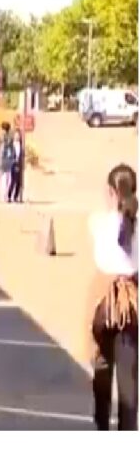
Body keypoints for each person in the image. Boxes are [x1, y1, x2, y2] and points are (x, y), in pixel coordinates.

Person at [85, 164, 138, 431]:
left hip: (103, 304)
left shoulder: (97, 221)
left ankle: (101, 425)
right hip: (130, 306)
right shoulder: (135, 226)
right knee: (129, 381)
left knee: (102, 364)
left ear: (111, 192)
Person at [0, 122, 15, 203]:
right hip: (8, 158)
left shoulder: (0, 136)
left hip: (1, 158)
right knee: (7, 179)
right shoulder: (11, 137)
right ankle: (5, 197)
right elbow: (12, 148)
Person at [7, 127, 25, 203]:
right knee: (13, 180)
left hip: (19, 164)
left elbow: (22, 155)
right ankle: (9, 196)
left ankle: (16, 197)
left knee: (19, 182)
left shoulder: (21, 145)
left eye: (18, 135)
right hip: (13, 164)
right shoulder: (11, 145)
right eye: (16, 135)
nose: (17, 137)